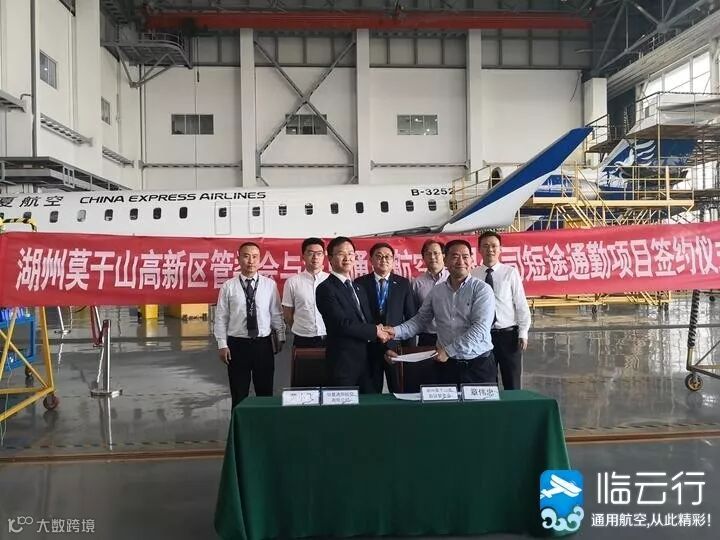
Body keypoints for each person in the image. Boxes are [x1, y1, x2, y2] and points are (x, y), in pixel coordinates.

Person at [385, 239, 497, 385]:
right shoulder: (437, 291)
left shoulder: (482, 289)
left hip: (478, 365)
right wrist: (395, 331)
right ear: (445, 260)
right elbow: (420, 320)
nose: (461, 261)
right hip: (447, 366)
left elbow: (480, 329)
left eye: (465, 256)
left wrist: (449, 351)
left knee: (478, 402)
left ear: (471, 260)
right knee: (445, 400)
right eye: (455, 256)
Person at [214, 242, 286, 407]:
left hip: (263, 345)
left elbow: (276, 313)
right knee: (239, 393)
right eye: (246, 256)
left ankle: (265, 423)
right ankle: (239, 424)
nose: (251, 261)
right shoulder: (228, 286)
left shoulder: (269, 285)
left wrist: (280, 336)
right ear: (238, 258)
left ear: (260, 260)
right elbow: (221, 317)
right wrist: (222, 344)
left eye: (255, 257)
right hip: (237, 345)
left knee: (265, 392)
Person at [315, 236, 391, 393]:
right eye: (341, 253)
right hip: (343, 364)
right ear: (330, 258)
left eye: (350, 253)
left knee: (370, 405)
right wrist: (375, 330)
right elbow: (341, 324)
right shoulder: (325, 288)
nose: (347, 258)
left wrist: (380, 332)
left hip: (368, 363)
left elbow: (367, 321)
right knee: (344, 406)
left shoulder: (358, 288)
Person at [472, 231, 531, 390]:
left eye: (494, 246)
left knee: (512, 383)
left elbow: (520, 304)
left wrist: (523, 332)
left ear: (500, 249)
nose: (490, 250)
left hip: (508, 336)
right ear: (479, 250)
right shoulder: (473, 274)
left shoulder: (510, 272)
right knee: (486, 383)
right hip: (482, 336)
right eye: (485, 246)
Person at [356, 242, 416, 393]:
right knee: (370, 392)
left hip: (396, 347)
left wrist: (408, 350)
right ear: (371, 260)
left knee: (400, 390)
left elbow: (410, 317)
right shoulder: (360, 283)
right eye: (379, 256)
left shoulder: (403, 283)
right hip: (369, 347)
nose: (384, 260)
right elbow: (357, 317)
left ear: (393, 260)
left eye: (388, 256)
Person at [282, 237, 329, 348]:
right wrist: (300, 328)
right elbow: (287, 313)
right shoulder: (292, 282)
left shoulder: (331, 280)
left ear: (324, 256)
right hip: (302, 338)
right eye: (311, 253)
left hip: (329, 336)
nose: (315, 257)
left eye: (319, 253)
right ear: (303, 256)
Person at [411, 239, 449, 347]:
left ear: (443, 255)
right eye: (428, 254)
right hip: (427, 337)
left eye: (436, 253)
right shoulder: (417, 283)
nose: (432, 257)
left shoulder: (453, 278)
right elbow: (414, 312)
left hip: (451, 336)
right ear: (423, 258)